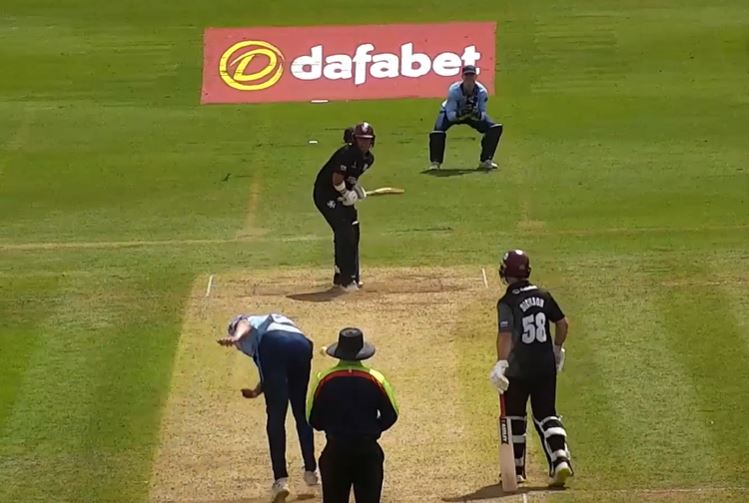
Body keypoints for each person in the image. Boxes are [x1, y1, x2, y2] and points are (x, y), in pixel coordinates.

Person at [488, 250, 574, 488]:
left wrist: (501, 363)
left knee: (515, 416)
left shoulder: (507, 302)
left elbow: (506, 335)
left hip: (518, 369)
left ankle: (516, 470)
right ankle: (560, 459)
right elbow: (563, 324)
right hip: (545, 366)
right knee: (546, 414)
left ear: (505, 273)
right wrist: (557, 349)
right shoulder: (544, 295)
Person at [217, 313, 319, 502]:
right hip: (302, 345)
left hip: (273, 344)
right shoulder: (278, 323)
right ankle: (311, 471)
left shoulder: (248, 326)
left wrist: (236, 337)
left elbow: (244, 323)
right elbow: (271, 376)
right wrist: (256, 391)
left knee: (276, 416)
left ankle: (281, 480)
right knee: (300, 411)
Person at [307, 328, 399, 503]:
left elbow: (313, 418)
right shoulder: (376, 378)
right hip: (367, 451)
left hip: (336, 450)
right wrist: (373, 428)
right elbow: (391, 414)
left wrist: (333, 427)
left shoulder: (324, 379)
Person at [313, 123, 376, 291]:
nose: (364, 143)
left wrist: (355, 190)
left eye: (367, 140)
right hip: (325, 195)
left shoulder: (368, 160)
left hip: (340, 193)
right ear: (355, 140)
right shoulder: (346, 154)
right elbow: (336, 180)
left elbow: (349, 177)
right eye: (361, 139)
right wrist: (346, 193)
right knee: (344, 230)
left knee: (353, 229)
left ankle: (348, 275)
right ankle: (346, 280)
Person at [428, 64, 503, 171]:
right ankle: (435, 162)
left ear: (475, 77)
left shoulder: (482, 92)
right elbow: (450, 116)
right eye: (467, 75)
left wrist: (476, 115)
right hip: (451, 112)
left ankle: (486, 160)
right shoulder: (454, 91)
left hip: (471, 115)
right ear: (462, 77)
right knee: (437, 132)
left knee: (494, 128)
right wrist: (461, 114)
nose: (469, 79)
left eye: (471, 75)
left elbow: (483, 114)